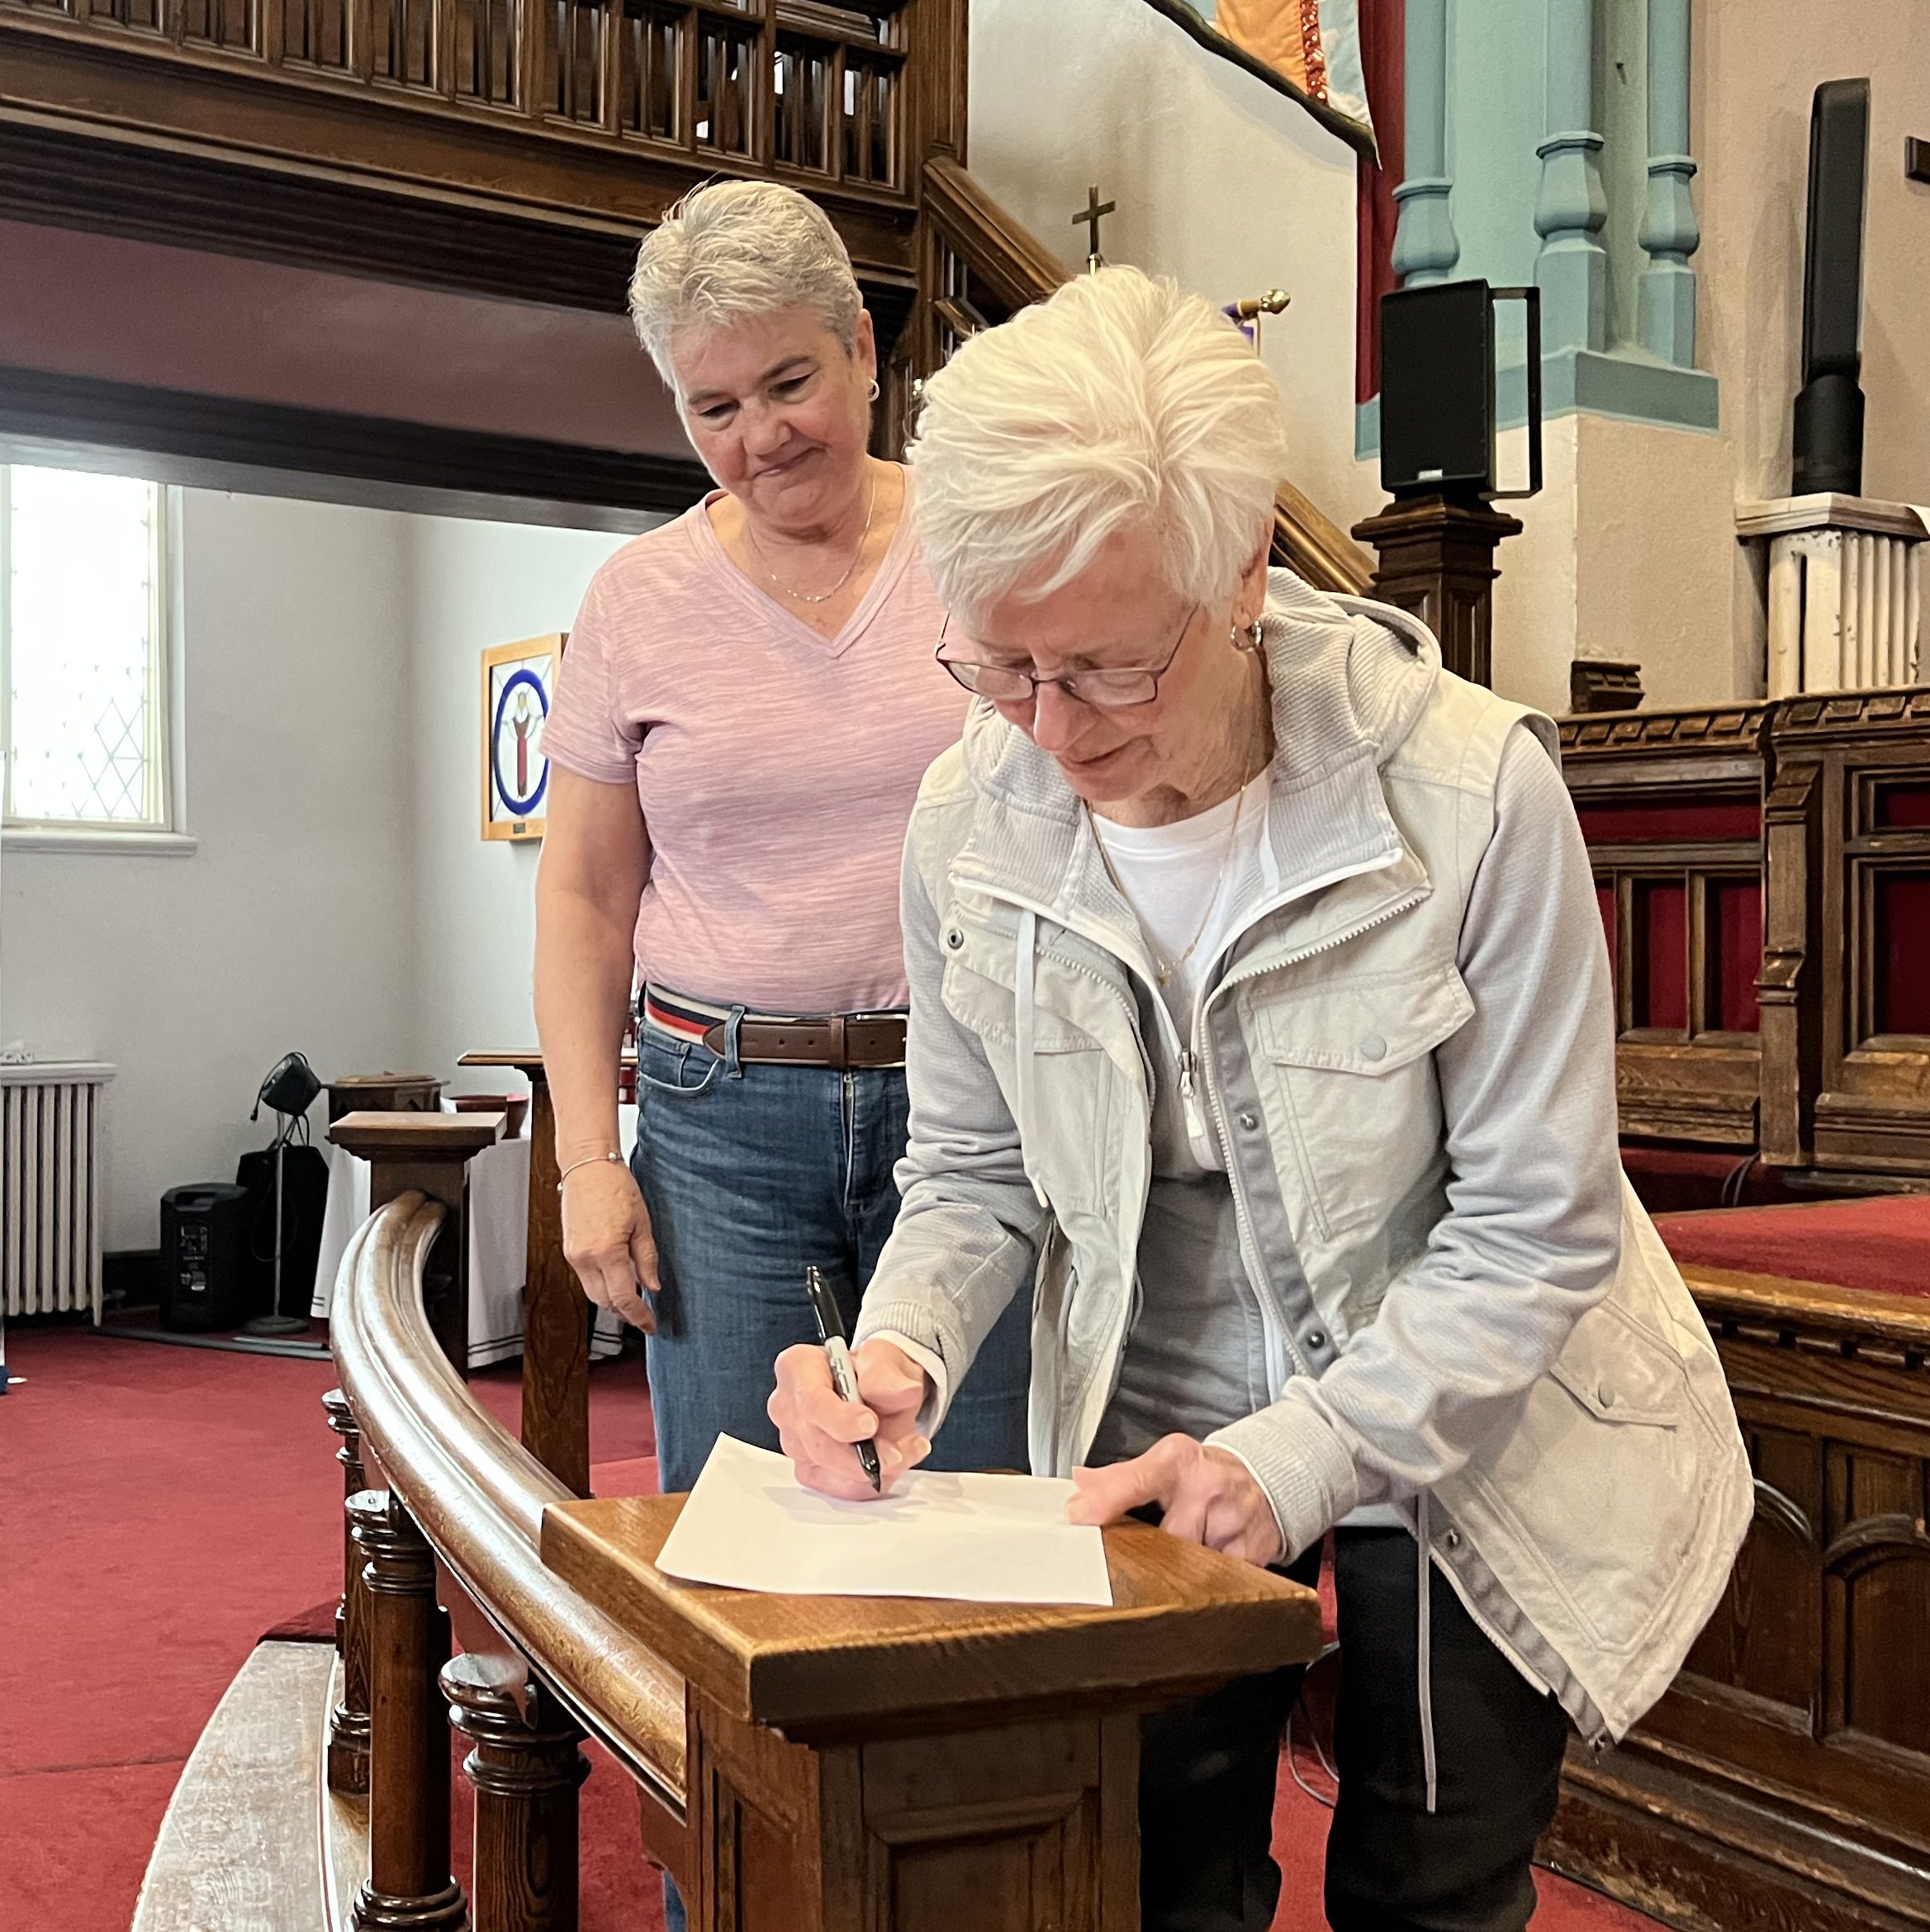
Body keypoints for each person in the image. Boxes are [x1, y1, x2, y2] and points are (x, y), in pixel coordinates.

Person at [763, 267, 1750, 1932]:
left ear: (1241, 574)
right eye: (1000, 667)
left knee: (1426, 1886)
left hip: (1472, 1420)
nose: (1050, 731)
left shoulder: (1467, 792)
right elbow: (975, 1166)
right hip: (1154, 1403)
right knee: (1155, 1870)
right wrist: (903, 1347)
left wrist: (1299, 1458)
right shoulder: (970, 814)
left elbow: (1531, 1230)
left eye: (1104, 670)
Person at [533, 178, 1031, 1495]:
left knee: (972, 1518)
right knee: (745, 1523)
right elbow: (584, 900)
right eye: (715, 408)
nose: (761, 436)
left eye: (789, 381)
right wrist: (589, 1159)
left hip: (971, 1102)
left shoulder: (984, 546)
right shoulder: (635, 600)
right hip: (719, 1120)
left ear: (864, 347)